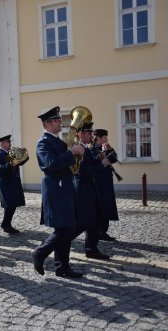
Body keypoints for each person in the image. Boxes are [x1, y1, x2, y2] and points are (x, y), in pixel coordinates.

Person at [32, 106, 85, 278]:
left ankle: (62, 267)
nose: (60, 122)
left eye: (59, 119)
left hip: (65, 188)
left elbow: (68, 163)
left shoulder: (58, 141)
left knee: (67, 227)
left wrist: (77, 155)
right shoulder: (43, 142)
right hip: (56, 189)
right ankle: (40, 253)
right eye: (56, 120)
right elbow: (50, 164)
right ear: (47, 124)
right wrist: (71, 153)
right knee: (66, 229)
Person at [69, 122, 110, 260]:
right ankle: (59, 241)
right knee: (82, 223)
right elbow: (84, 172)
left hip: (91, 188)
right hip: (83, 189)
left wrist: (101, 159)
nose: (91, 135)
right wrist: (101, 165)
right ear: (80, 134)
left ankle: (91, 249)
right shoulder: (78, 149)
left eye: (91, 132)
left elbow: (93, 166)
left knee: (95, 220)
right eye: (88, 132)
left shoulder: (89, 148)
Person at [0, 134, 27, 234]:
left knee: (13, 204)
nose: (10, 143)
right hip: (6, 182)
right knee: (9, 205)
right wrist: (10, 164)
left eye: (10, 142)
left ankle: (7, 223)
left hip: (14, 181)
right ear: (2, 143)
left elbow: (20, 163)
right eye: (8, 142)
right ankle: (6, 224)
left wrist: (24, 156)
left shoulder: (10, 152)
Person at [92, 129, 119, 242]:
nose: (107, 140)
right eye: (105, 138)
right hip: (98, 183)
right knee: (100, 208)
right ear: (99, 138)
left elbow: (114, 159)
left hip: (106, 182)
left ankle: (103, 231)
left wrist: (110, 149)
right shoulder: (92, 149)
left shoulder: (104, 148)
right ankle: (98, 232)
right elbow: (95, 164)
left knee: (107, 206)